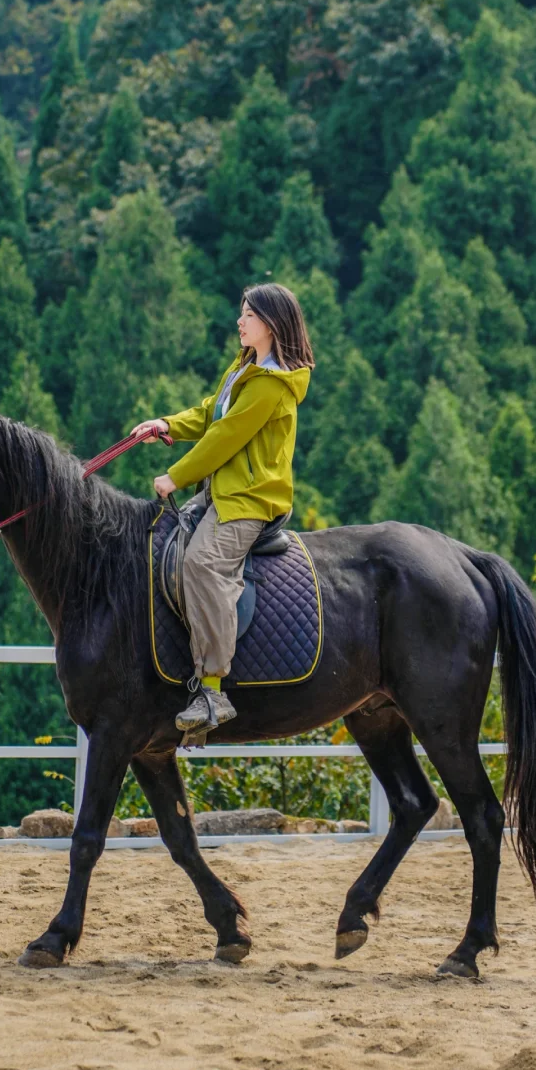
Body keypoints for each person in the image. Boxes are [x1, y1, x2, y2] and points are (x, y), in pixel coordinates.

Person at [129, 282, 314, 732]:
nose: (240, 321)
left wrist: (176, 476)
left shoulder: (271, 385)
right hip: (224, 491)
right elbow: (215, 412)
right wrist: (166, 425)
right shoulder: (246, 367)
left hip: (250, 499)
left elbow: (226, 437)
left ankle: (212, 690)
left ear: (270, 325)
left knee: (203, 564)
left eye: (248, 315)